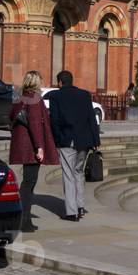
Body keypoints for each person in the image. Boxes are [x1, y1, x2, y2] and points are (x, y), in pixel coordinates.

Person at [9, 70, 59, 232]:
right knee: (28, 184)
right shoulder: (35, 98)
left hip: (21, 146)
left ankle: (22, 219)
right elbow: (36, 124)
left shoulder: (20, 97)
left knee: (27, 183)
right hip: (31, 147)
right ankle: (23, 221)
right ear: (37, 82)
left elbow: (11, 116)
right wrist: (39, 147)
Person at [48, 70, 100, 222]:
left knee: (69, 175)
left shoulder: (55, 96)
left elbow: (55, 121)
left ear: (60, 82)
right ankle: (80, 206)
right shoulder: (84, 95)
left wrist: (57, 140)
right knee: (79, 173)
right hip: (85, 141)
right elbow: (92, 118)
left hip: (67, 140)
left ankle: (71, 212)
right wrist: (96, 141)